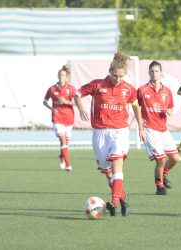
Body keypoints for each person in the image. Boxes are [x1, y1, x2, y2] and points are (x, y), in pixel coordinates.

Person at [74, 52, 145, 217]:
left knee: (116, 163)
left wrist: (141, 127)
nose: (118, 79)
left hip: (120, 131)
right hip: (99, 133)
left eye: (121, 76)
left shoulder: (128, 89)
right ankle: (122, 196)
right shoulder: (98, 85)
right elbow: (77, 95)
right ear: (109, 71)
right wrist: (82, 108)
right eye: (115, 75)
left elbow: (136, 106)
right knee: (107, 172)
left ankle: (113, 202)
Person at [137, 61, 181, 195]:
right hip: (150, 129)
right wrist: (140, 128)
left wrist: (170, 111)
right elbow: (136, 107)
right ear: (148, 73)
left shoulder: (167, 91)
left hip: (163, 129)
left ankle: (164, 174)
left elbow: (171, 107)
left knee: (175, 158)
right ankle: (159, 186)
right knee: (161, 159)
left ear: (161, 73)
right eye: (152, 71)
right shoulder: (142, 90)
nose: (154, 73)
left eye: (157, 71)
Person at [43, 65, 76, 171]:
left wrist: (66, 102)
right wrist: (51, 109)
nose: (61, 77)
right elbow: (45, 101)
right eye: (60, 75)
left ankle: (62, 156)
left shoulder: (71, 88)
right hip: (57, 118)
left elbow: (76, 102)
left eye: (63, 75)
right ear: (57, 76)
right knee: (62, 140)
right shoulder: (52, 89)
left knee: (66, 142)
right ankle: (68, 164)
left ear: (66, 77)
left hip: (69, 118)